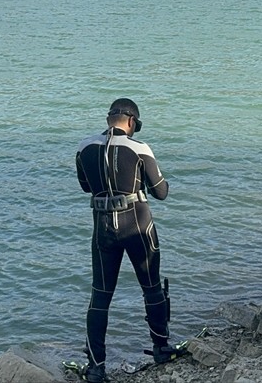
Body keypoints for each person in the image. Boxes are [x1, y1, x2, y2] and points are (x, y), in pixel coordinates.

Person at [76, 99, 177, 383]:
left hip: (102, 227)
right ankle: (161, 347)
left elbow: (85, 186)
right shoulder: (140, 148)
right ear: (132, 122)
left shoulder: (84, 148)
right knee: (151, 287)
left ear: (109, 118)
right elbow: (161, 192)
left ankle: (96, 367)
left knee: (100, 295)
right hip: (137, 224)